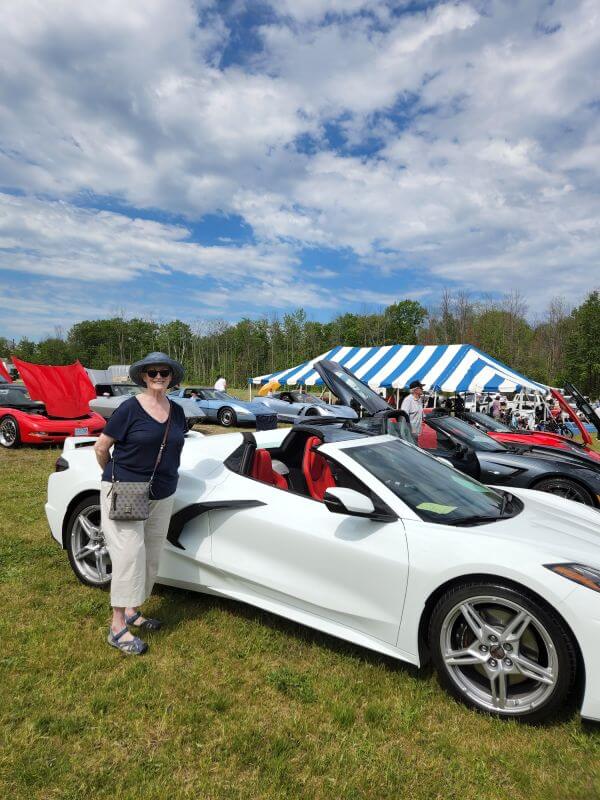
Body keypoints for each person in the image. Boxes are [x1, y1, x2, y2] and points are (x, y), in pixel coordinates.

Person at [94, 352, 187, 655]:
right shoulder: (129, 409)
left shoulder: (177, 411)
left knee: (150, 554)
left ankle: (134, 609)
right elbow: (101, 447)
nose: (158, 377)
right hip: (129, 488)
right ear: (144, 377)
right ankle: (117, 626)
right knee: (130, 555)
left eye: (164, 372)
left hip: (164, 491)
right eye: (152, 373)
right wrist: (116, 478)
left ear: (171, 377)